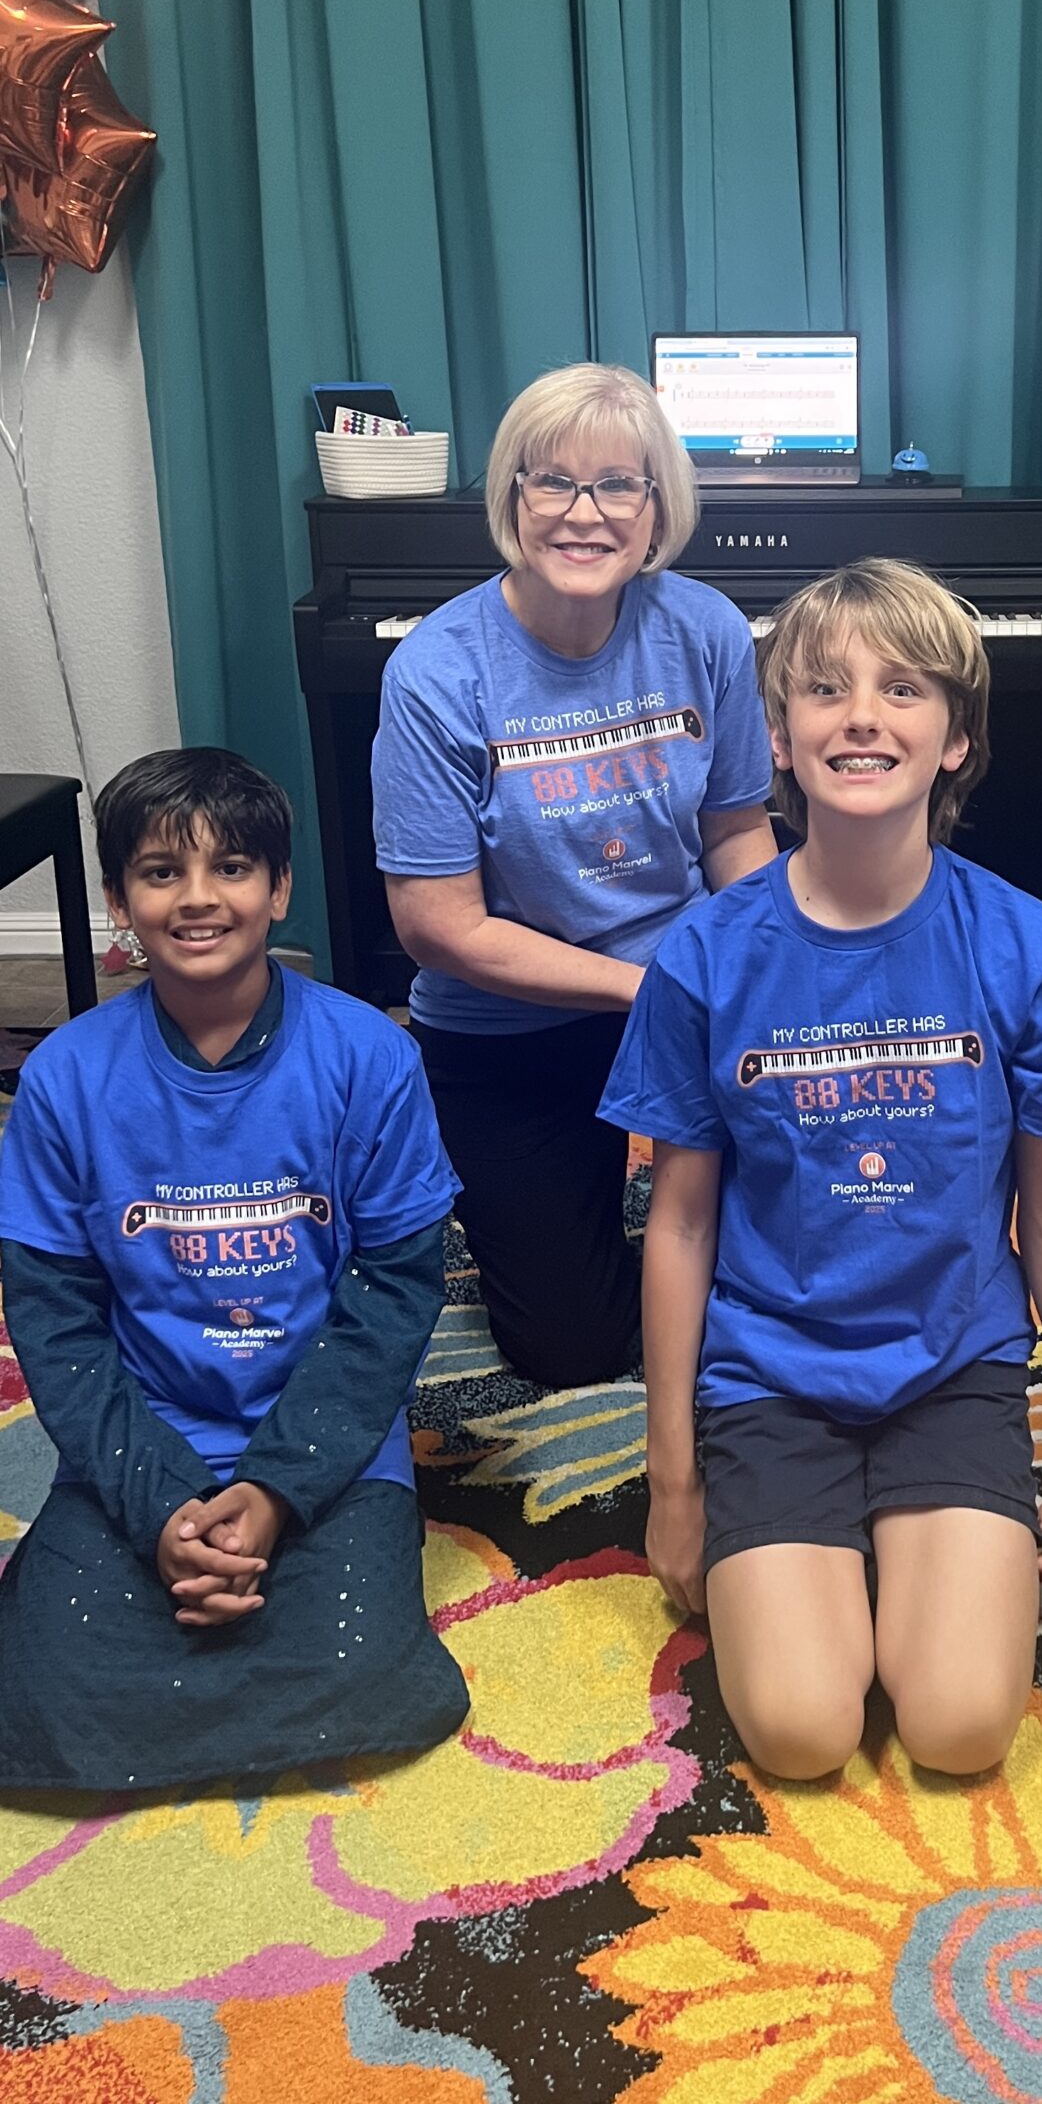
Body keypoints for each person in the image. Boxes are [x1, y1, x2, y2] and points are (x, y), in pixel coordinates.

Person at [602, 558, 1042, 1778]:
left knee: (960, 1727)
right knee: (801, 1732)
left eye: (903, 689)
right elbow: (680, 1223)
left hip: (952, 1366)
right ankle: (830, 1545)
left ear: (956, 738)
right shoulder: (706, 955)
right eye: (826, 689)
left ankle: (915, 1546)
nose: (863, 718)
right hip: (769, 1373)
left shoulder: (1026, 944)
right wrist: (672, 1479)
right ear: (780, 739)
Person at [0, 749, 467, 1791]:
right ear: (119, 900)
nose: (199, 897)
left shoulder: (371, 1057)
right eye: (162, 872)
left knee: (364, 1671)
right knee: (42, 1696)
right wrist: (161, 1505)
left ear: (280, 888)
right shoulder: (64, 1077)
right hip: (144, 1430)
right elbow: (55, 1320)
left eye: (233, 867)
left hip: (328, 1436)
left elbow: (395, 1293)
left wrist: (276, 1489)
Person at [372, 363, 776, 1387]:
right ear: (513, 496)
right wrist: (648, 988)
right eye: (552, 481)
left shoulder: (707, 630)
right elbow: (437, 927)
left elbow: (736, 831)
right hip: (511, 1026)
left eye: (618, 485)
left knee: (799, 1266)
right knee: (571, 1349)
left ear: (657, 508)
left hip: (685, 994)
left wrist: (762, 971)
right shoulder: (436, 672)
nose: (583, 514)